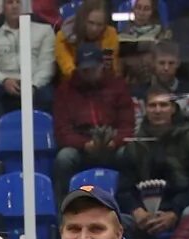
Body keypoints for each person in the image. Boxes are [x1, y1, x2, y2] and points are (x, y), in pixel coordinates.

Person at [115, 88, 189, 239]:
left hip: (180, 210)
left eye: (163, 105)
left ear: (173, 108)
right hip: (144, 216)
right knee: (114, 222)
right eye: (153, 105)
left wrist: (174, 212)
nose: (158, 110)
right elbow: (125, 187)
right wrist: (137, 211)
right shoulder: (135, 143)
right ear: (145, 109)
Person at [52, 42, 135, 197]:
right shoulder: (65, 91)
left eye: (93, 68)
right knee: (64, 158)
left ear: (102, 65)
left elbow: (127, 123)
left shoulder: (117, 86)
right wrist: (84, 144)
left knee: (130, 154)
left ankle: (131, 206)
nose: (89, 73)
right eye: (85, 70)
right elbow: (62, 130)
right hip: (81, 145)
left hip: (112, 142)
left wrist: (115, 141)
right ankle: (63, 209)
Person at [0, 0, 56, 127]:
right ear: (2, 8)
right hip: (5, 82)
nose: (14, 6)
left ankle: (43, 138)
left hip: (35, 81)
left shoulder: (45, 31)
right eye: (9, 2)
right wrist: (4, 80)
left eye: (18, 2)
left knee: (47, 94)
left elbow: (47, 65)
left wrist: (33, 85)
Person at [55, 0, 120, 81]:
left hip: (104, 82)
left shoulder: (111, 34)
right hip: (73, 83)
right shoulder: (62, 37)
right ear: (82, 19)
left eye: (99, 24)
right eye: (91, 23)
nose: (94, 29)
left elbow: (114, 69)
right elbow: (68, 70)